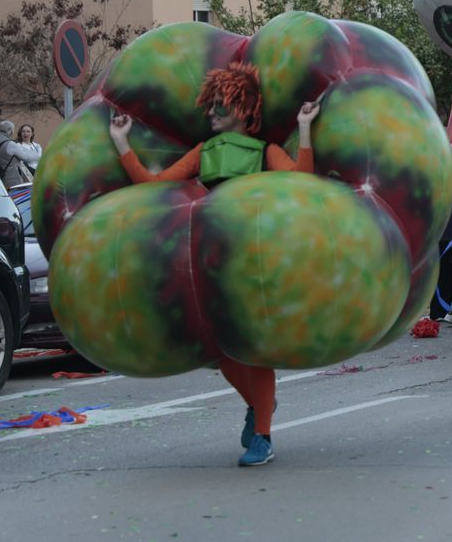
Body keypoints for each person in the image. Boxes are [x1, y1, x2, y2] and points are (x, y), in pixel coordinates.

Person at [109, 62, 320, 467]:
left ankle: (262, 434)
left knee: (254, 347)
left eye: (219, 105)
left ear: (243, 108)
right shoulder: (205, 151)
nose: (211, 113)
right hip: (212, 260)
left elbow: (301, 181)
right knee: (223, 352)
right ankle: (260, 406)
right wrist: (122, 142)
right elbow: (156, 186)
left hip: (258, 258)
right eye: (210, 107)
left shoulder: (264, 152)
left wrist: (305, 127)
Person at [0, 123, 42, 187]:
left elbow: (40, 159)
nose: (25, 133)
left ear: (32, 133)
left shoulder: (37, 146)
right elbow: (22, 162)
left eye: (28, 131)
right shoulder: (18, 146)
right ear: (20, 134)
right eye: (23, 132)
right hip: (27, 175)